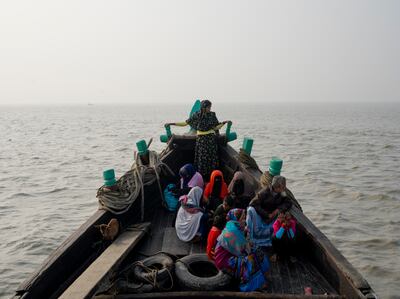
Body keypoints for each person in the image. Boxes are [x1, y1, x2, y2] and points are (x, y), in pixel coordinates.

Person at [165, 100, 231, 179]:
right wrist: (172, 124)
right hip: (201, 141)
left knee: (211, 159)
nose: (210, 108)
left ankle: (212, 177)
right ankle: (201, 177)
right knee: (201, 160)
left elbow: (216, 127)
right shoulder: (196, 115)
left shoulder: (212, 115)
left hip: (211, 140)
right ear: (203, 107)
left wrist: (224, 122)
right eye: (208, 107)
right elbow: (185, 123)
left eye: (210, 107)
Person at [214, 209, 270, 292]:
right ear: (237, 220)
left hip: (231, 254)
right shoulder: (233, 231)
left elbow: (244, 245)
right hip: (224, 260)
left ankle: (262, 275)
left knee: (256, 250)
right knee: (250, 260)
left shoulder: (234, 227)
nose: (245, 220)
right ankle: (250, 286)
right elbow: (245, 250)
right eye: (243, 218)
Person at [247, 175, 292, 248]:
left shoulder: (282, 193)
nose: (284, 188)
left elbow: (288, 203)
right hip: (261, 215)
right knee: (250, 210)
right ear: (277, 187)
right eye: (283, 186)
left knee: (283, 219)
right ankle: (253, 237)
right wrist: (266, 214)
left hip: (272, 218)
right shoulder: (265, 192)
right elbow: (253, 203)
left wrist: (278, 209)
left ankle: (268, 241)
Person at [206, 195, 235, 260]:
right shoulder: (220, 210)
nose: (225, 206)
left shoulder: (230, 211)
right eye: (224, 204)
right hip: (218, 229)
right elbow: (216, 221)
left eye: (226, 205)